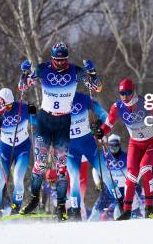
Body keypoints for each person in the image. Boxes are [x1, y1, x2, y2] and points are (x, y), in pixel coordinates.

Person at [18, 42, 102, 221]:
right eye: (57, 60)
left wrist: (92, 73)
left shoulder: (75, 71)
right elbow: (23, 87)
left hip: (64, 121)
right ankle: (33, 199)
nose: (61, 64)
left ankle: (62, 206)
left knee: (61, 168)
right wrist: (24, 73)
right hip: (45, 120)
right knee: (40, 163)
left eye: (64, 60)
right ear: (52, 59)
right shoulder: (42, 69)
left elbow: (97, 88)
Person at [93, 78, 153, 220]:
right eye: (122, 93)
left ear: (133, 91)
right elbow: (108, 125)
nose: (124, 96)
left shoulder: (145, 102)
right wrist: (100, 132)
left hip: (152, 142)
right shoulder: (117, 107)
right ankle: (127, 211)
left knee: (145, 168)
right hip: (135, 144)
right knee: (131, 176)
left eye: (128, 93)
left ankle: (149, 208)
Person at [67, 91, 117, 220]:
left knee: (105, 173)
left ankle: (121, 203)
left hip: (87, 143)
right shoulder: (54, 103)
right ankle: (75, 212)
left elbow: (106, 116)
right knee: (74, 180)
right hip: (70, 148)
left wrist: (100, 125)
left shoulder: (83, 98)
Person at [0, 88, 35, 218]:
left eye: (10, 105)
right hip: (5, 149)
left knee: (18, 177)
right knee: (0, 179)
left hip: (22, 148)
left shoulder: (22, 108)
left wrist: (34, 113)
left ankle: (16, 207)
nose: (8, 108)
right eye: (5, 105)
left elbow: (37, 122)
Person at [89, 134, 131, 221]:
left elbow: (134, 171)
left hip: (121, 191)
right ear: (108, 145)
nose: (114, 148)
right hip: (107, 190)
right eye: (111, 146)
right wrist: (97, 183)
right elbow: (95, 170)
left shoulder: (126, 157)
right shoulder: (104, 157)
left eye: (116, 145)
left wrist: (132, 183)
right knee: (95, 213)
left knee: (117, 214)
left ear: (119, 145)